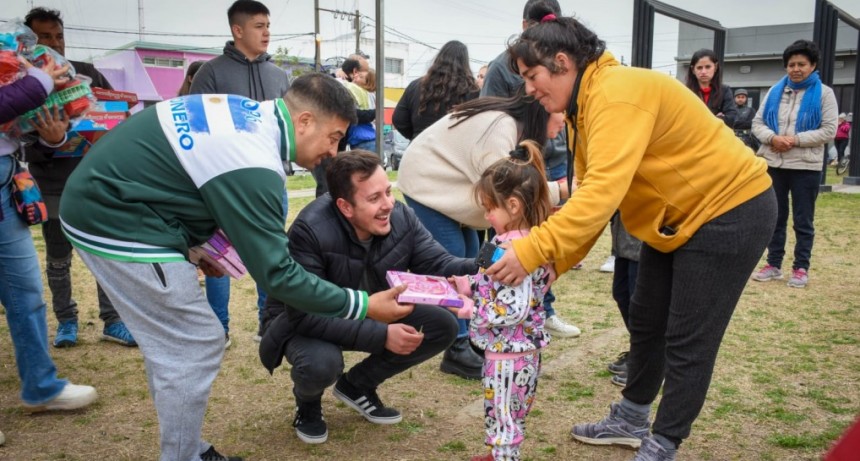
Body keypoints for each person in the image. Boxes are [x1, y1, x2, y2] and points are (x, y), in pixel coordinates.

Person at [59, 73, 412, 461]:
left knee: (176, 348)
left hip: (115, 203)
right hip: (115, 220)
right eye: (334, 137)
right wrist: (365, 306)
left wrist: (198, 243)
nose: (335, 151)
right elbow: (278, 275)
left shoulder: (250, 115)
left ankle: (186, 449)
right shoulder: (255, 163)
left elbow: (182, 175)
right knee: (192, 344)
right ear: (305, 121)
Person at [495, 5, 777, 460]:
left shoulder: (616, 94)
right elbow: (591, 195)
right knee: (646, 317)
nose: (529, 89)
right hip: (676, 218)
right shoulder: (584, 104)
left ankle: (663, 443)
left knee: (687, 337)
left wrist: (533, 251)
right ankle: (631, 417)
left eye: (532, 76)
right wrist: (553, 264)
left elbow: (601, 194)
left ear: (563, 63)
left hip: (730, 209)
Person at [259, 151, 474, 444]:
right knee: (322, 364)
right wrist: (382, 334)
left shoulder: (401, 216)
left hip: (373, 308)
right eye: (375, 198)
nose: (388, 205)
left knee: (443, 325)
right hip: (300, 320)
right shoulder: (309, 230)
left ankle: (357, 385)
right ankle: (307, 402)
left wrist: (484, 265)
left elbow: (439, 263)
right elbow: (304, 315)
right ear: (345, 206)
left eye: (388, 191)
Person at [398, 94, 569, 379]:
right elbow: (505, 188)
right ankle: (458, 346)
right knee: (455, 259)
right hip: (431, 188)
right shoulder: (501, 128)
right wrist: (563, 190)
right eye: (561, 113)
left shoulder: (505, 242)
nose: (564, 122)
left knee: (472, 260)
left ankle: (471, 340)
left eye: (491, 209)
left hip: (455, 193)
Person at [23, 6, 136, 348]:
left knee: (105, 255)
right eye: (45, 37)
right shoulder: (22, 84)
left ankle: (112, 320)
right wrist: (50, 141)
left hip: (94, 182)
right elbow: (20, 138)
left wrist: (114, 126)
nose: (55, 43)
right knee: (58, 258)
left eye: (59, 36)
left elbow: (117, 112)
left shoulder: (86, 73)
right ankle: (66, 322)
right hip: (52, 186)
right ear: (29, 42)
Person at [1, 54, 97, 446]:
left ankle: (40, 386)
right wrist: (40, 80)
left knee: (27, 293)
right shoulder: (33, 74)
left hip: (7, 185)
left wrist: (48, 128)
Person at [189, 0, 290, 346]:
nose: (266, 32)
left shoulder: (279, 75)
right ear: (238, 30)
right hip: (224, 182)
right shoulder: (211, 73)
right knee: (217, 253)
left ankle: (270, 321)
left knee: (270, 250)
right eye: (259, 26)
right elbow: (194, 125)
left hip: (271, 180)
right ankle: (219, 328)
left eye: (268, 25)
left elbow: (289, 125)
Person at [480, 0, 581, 339]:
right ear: (524, 26)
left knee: (537, 242)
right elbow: (491, 120)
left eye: (533, 77)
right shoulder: (501, 69)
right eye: (524, 77)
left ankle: (539, 308)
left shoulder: (580, 89)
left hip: (545, 159)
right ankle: (497, 310)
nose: (529, 90)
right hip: (513, 163)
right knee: (513, 246)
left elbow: (594, 203)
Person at [452, 141, 553, 461]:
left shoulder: (518, 250)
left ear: (512, 206)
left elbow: (512, 307)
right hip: (511, 350)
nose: (485, 214)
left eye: (489, 207)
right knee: (506, 407)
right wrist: (468, 285)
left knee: (505, 411)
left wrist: (469, 309)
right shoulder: (516, 243)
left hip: (511, 353)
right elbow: (496, 285)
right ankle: (500, 453)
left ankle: (505, 455)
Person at [750, 39, 838, 289]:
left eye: (801, 64)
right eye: (791, 64)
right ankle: (773, 263)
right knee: (774, 217)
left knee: (803, 219)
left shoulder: (825, 93)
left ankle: (801, 267)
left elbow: (829, 130)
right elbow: (758, 123)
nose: (795, 69)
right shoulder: (775, 91)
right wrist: (773, 138)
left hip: (805, 166)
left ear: (813, 66)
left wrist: (795, 140)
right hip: (773, 163)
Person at [392, 40, 480, 141]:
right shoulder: (472, 90)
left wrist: (417, 137)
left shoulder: (415, 86)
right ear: (465, 63)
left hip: (419, 149)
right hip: (454, 151)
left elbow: (398, 119)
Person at [685, 49, 736, 127]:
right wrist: (717, 118)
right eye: (699, 68)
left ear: (715, 67)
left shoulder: (725, 91)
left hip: (716, 137)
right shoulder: (686, 91)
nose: (704, 71)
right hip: (692, 137)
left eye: (708, 67)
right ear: (693, 70)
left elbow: (731, 118)